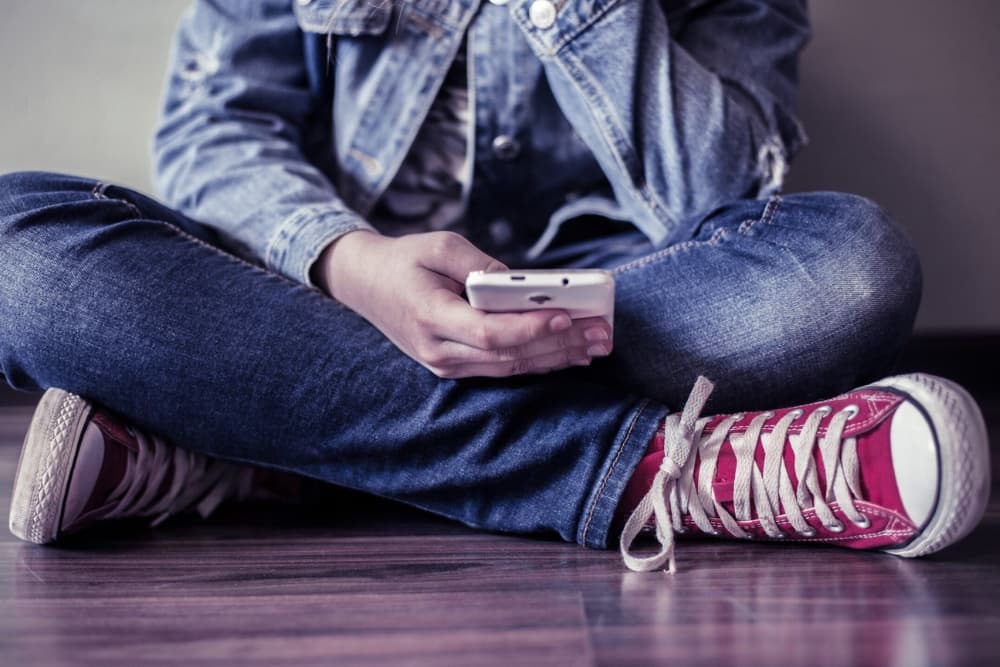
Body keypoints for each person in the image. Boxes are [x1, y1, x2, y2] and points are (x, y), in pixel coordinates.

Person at [0, 0, 989, 573]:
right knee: (13, 248)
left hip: (610, 300)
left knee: (853, 263)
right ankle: (676, 473)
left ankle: (264, 446)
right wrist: (352, 261)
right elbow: (214, 131)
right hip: (327, 290)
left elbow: (720, 190)